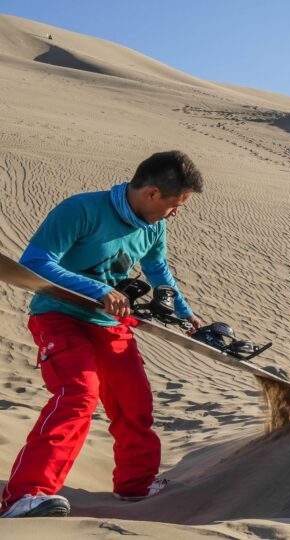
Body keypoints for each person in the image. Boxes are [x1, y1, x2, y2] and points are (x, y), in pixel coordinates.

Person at [0, 151, 204, 518]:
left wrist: (187, 315)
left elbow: (158, 271)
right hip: (60, 316)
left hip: (110, 323)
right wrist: (98, 289)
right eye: (177, 204)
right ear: (152, 194)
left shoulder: (154, 226)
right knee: (78, 394)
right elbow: (35, 262)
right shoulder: (80, 210)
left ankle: (136, 484)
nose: (176, 213)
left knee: (134, 403)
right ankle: (24, 495)